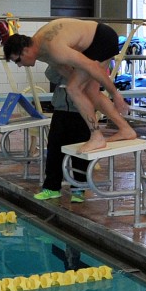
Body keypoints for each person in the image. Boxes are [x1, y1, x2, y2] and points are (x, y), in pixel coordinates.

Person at [3, 18, 137, 153]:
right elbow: (66, 72)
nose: (20, 65)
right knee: (87, 90)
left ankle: (97, 137)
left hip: (101, 39)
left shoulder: (54, 48)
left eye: (18, 61)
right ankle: (125, 129)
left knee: (73, 88)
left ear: (25, 50)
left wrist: (115, 94)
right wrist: (82, 89)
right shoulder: (41, 50)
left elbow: (93, 67)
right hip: (97, 39)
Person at [34, 66, 90, 203]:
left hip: (81, 112)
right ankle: (52, 187)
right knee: (54, 151)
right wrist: (60, 62)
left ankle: (79, 188)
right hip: (60, 111)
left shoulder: (87, 61)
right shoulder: (61, 58)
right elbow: (50, 74)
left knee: (80, 153)